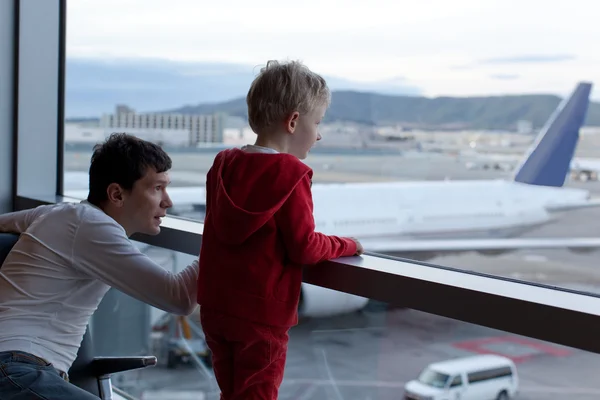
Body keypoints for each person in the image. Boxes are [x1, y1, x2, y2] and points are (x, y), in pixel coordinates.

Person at [197, 60, 364, 400]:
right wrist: (347, 244)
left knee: (231, 393)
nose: (318, 134)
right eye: (317, 123)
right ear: (293, 121)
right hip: (260, 316)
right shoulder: (292, 175)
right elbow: (305, 246)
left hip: (215, 307)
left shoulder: (223, 163)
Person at [0, 133, 199, 399]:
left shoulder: (58, 214)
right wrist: (224, 237)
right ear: (117, 194)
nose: (168, 202)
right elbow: (180, 298)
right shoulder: (91, 225)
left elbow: (3, 223)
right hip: (15, 368)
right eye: (157, 188)